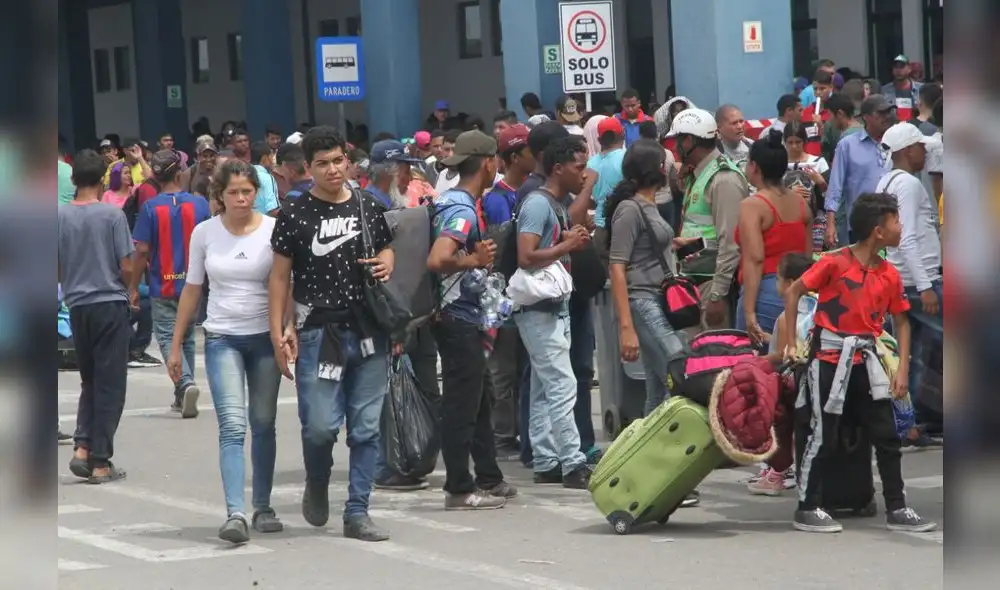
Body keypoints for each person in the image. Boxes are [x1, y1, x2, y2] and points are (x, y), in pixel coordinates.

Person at [268, 126, 397, 542]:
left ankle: (357, 511)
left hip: (369, 330)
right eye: (322, 163)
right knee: (320, 426)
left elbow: (387, 246)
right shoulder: (293, 213)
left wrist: (386, 262)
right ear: (307, 168)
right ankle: (318, 479)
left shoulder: (368, 205)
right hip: (319, 334)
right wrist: (278, 331)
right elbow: (280, 277)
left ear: (349, 161)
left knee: (366, 428)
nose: (332, 170)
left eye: (338, 161)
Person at [781, 192, 937, 534]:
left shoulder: (889, 275)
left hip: (867, 360)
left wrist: (902, 370)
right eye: (896, 220)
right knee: (823, 435)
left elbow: (903, 322)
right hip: (827, 360)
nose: (901, 227)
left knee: (887, 434)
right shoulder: (834, 263)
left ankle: (897, 507)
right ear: (878, 231)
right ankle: (807, 507)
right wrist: (792, 343)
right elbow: (793, 292)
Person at [167, 160, 283, 544]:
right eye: (233, 192)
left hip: (265, 338)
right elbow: (192, 288)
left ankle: (262, 505)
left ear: (257, 192)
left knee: (263, 422)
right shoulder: (204, 233)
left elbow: (286, 283)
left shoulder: (272, 229)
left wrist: (287, 329)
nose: (241, 198)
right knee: (233, 426)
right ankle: (236, 512)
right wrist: (175, 344)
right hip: (222, 339)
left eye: (247, 191)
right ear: (220, 195)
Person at [425, 130, 515, 509]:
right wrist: (473, 260)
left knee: (480, 398)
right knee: (463, 403)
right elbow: (438, 258)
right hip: (456, 317)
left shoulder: (452, 200)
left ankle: (489, 476)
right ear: (488, 163)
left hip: (460, 316)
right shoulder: (461, 209)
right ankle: (459, 488)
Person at [513, 136, 594, 489]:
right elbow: (525, 256)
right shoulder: (537, 204)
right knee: (561, 383)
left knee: (546, 386)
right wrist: (567, 244)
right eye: (579, 167)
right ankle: (572, 462)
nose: (585, 173)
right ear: (558, 168)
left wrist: (569, 241)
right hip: (539, 310)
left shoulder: (556, 204)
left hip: (553, 308)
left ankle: (546, 459)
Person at [59, 149, 135, 484]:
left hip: (77, 306)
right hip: (109, 303)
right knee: (111, 385)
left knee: (89, 380)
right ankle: (101, 461)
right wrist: (130, 289)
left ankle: (82, 447)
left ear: (74, 180)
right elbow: (128, 264)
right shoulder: (111, 216)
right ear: (103, 178)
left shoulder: (59, 217)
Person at [605, 140, 687, 416]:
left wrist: (674, 244)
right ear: (658, 169)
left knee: (657, 384)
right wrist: (626, 328)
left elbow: (648, 244)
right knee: (678, 365)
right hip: (643, 299)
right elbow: (617, 266)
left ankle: (644, 447)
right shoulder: (630, 209)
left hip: (659, 296)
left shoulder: (648, 205)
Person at [130, 150, 212, 417]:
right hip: (193, 284)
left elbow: (142, 250)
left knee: (167, 337)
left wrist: (132, 286)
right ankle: (182, 391)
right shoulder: (199, 204)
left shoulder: (151, 208)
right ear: (179, 173)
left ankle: (184, 382)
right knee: (185, 335)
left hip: (162, 284)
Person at [876, 123, 943, 448]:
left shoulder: (887, 181)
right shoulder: (909, 185)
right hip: (917, 282)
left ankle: (909, 423)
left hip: (899, 281)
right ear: (906, 152)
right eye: (919, 146)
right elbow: (908, 239)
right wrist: (926, 285)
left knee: (911, 354)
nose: (925, 151)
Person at [666, 108, 750, 331]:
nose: (675, 147)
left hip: (712, 283)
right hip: (696, 279)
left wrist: (717, 296)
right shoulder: (699, 173)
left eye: (678, 140)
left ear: (689, 141)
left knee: (716, 356)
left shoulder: (723, 179)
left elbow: (730, 242)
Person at [735, 130, 812, 346]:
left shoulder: (752, 206)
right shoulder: (800, 203)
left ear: (754, 167)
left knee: (756, 369)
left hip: (763, 292)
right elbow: (808, 257)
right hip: (798, 292)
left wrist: (749, 312)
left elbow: (754, 259)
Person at [746, 252, 814, 495]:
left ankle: (777, 473)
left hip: (790, 382)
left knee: (781, 428)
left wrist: (756, 360)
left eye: (777, 278)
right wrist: (766, 338)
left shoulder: (788, 316)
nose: (775, 284)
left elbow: (784, 355)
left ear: (790, 283)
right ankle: (783, 470)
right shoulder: (813, 311)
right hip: (809, 381)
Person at [825, 95, 896, 248]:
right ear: (866, 117)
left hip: (895, 224)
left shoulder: (898, 142)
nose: (886, 117)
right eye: (881, 113)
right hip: (861, 225)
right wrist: (831, 224)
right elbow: (835, 186)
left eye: (889, 112)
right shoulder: (847, 145)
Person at [783, 121, 830, 252]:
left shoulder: (818, 163)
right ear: (784, 142)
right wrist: (788, 192)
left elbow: (831, 196)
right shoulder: (778, 164)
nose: (794, 146)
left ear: (805, 141)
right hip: (786, 221)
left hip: (815, 221)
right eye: (790, 142)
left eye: (798, 142)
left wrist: (820, 182)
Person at [587, 117, 626, 260]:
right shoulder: (625, 158)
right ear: (621, 135)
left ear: (599, 139)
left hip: (600, 227)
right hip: (623, 223)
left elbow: (589, 199)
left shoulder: (590, 163)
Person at [881, 55, 923, 122]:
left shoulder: (922, 89)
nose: (898, 70)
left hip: (915, 126)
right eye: (895, 67)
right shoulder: (884, 90)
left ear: (909, 69)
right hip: (894, 127)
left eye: (901, 67)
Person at [715, 105, 753, 173]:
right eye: (734, 123)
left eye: (741, 121)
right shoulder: (714, 152)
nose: (740, 126)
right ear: (719, 127)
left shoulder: (752, 145)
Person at [249, 141, 280, 215]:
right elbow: (272, 210)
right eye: (271, 156)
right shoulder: (267, 178)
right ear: (264, 158)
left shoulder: (243, 175)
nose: (272, 160)